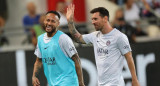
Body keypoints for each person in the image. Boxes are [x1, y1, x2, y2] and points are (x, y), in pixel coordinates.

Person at [66, 4, 140, 86]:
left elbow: (129, 57)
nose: (93, 22)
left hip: (115, 83)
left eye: (95, 19)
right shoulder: (95, 35)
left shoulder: (119, 37)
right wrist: (70, 22)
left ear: (105, 19)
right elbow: (78, 38)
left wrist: (135, 79)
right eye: (92, 19)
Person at [32, 11, 85, 86]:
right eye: (48, 20)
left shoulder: (63, 38)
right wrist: (34, 76)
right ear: (44, 21)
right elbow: (38, 60)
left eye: (53, 21)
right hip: (52, 82)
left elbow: (76, 59)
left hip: (68, 81)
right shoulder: (40, 39)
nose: (49, 23)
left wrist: (81, 83)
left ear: (58, 24)